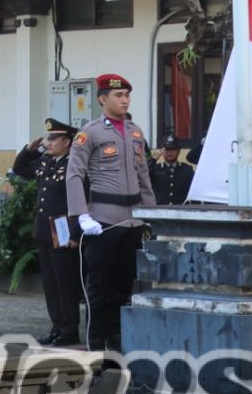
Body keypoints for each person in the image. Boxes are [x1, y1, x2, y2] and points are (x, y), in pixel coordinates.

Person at [66, 73, 155, 352]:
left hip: (132, 220)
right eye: (118, 95)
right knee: (99, 288)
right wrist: (81, 215)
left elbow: (143, 175)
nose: (124, 100)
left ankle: (117, 342)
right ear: (103, 99)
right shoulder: (89, 133)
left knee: (124, 287)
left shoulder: (135, 132)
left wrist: (153, 214)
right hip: (103, 219)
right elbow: (74, 175)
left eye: (127, 95)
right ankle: (95, 343)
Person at [12, 117, 81, 346]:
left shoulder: (74, 164)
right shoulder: (45, 162)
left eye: (54, 138)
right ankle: (57, 327)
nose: (48, 142)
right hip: (44, 229)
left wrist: (75, 233)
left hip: (63, 227)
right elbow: (20, 169)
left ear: (67, 141)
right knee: (50, 283)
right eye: (48, 138)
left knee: (65, 282)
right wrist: (28, 151)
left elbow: (82, 200)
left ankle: (70, 330)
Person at [148, 133, 193, 206]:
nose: (170, 152)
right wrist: (154, 159)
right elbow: (143, 173)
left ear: (179, 151)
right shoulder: (155, 169)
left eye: (173, 149)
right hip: (160, 210)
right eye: (167, 150)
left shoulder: (187, 169)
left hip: (181, 210)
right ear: (162, 151)